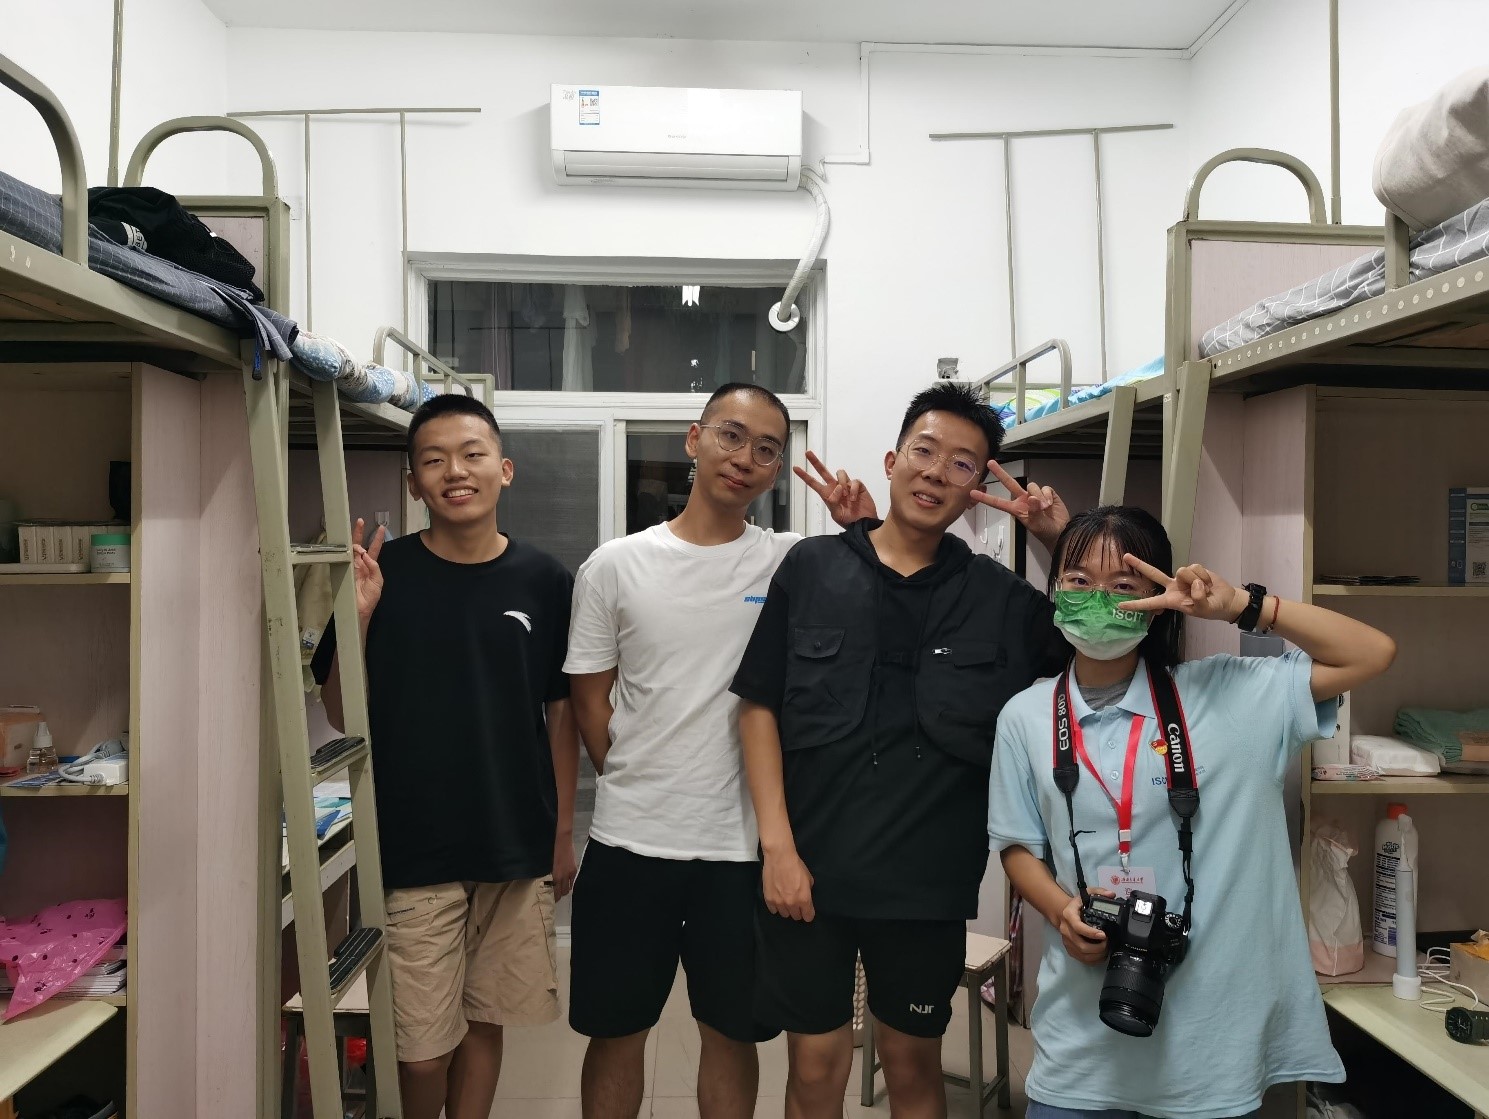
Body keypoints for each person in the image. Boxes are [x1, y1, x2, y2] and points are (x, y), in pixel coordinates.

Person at [728, 381, 1072, 1119]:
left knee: (912, 1063)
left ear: (976, 490)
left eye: (961, 464)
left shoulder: (1002, 600)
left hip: (927, 883)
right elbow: (758, 707)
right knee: (814, 1064)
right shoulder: (811, 568)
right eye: (924, 450)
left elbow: (1103, 647)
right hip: (808, 873)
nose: (936, 472)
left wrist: (1058, 538)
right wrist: (777, 849)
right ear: (892, 461)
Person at [987, 505, 1397, 1119]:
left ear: (1158, 602)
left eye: (1123, 585)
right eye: (1078, 580)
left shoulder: (1231, 695)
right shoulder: (1025, 715)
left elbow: (1372, 653)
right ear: (1055, 591)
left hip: (1209, 1054)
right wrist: (1060, 909)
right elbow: (1018, 845)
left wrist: (1242, 606)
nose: (1098, 599)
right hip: (1079, 1043)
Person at [564, 382, 875, 1119]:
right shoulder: (615, 564)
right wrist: (636, 774)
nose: (744, 458)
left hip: (742, 853)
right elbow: (589, 699)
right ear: (694, 439)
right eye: (731, 435)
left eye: (766, 449)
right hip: (629, 842)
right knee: (616, 1032)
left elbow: (890, 588)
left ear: (776, 469)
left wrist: (863, 528)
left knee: (732, 1034)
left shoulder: (792, 561)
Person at [311, 393, 580, 1119]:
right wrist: (357, 616)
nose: (455, 471)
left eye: (471, 454)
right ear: (413, 481)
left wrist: (561, 834)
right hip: (412, 844)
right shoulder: (382, 571)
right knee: (421, 1049)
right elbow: (341, 711)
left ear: (504, 469)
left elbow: (560, 715)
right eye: (433, 460)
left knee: (487, 1018)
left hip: (514, 838)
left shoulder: (545, 579)